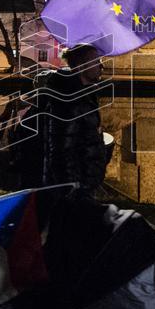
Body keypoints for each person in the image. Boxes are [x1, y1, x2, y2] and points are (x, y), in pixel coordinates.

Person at [40, 44, 109, 197]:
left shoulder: (85, 96)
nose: (101, 66)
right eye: (95, 61)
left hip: (84, 185)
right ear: (81, 66)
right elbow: (61, 150)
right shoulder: (68, 100)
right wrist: (71, 190)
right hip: (74, 190)